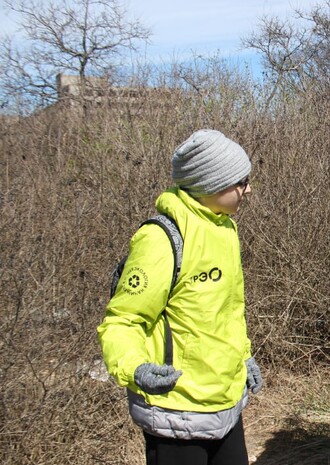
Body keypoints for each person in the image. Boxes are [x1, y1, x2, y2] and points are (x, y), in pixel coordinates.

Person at [97, 129, 263, 465]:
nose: (248, 189)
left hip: (224, 403)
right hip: (175, 410)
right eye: (240, 181)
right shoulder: (161, 239)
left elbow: (226, 312)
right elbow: (123, 320)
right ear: (210, 184)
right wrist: (135, 368)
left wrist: (243, 357)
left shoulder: (225, 228)